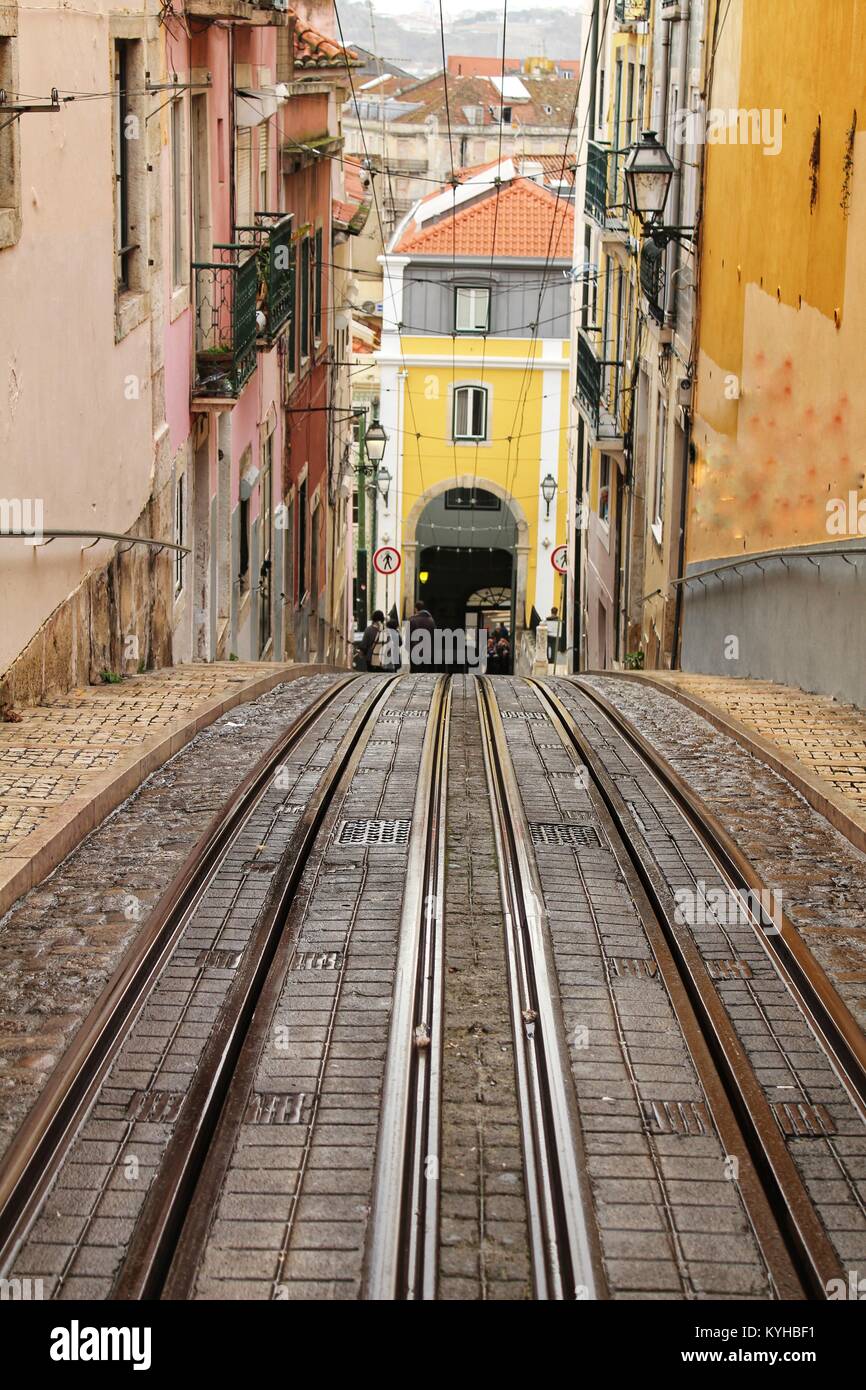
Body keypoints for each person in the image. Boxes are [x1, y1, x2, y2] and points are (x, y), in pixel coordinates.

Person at [409, 601, 436, 672]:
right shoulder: (431, 620)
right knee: (425, 672)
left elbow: (408, 637)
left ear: (416, 609)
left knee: (415, 673)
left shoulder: (412, 620)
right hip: (428, 651)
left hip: (415, 651)